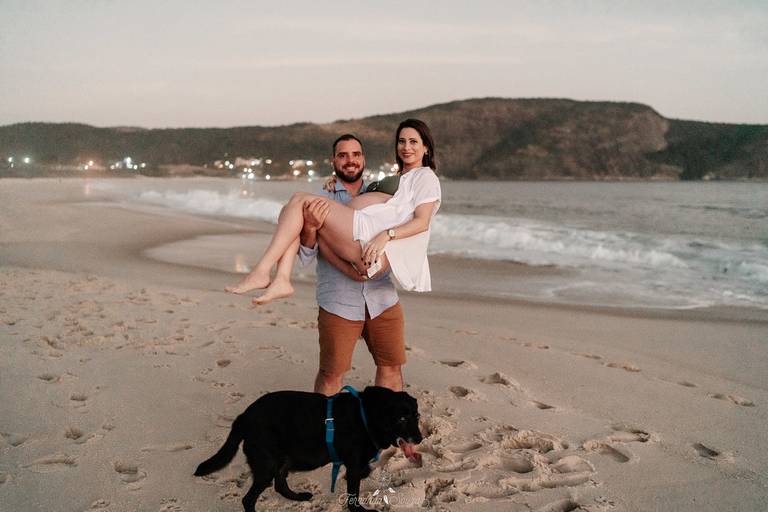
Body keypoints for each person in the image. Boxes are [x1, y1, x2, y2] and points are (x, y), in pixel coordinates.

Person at [226, 119, 441, 392]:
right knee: (331, 374)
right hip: (340, 299)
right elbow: (307, 254)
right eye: (343, 155)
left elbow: (419, 221)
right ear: (334, 161)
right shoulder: (329, 194)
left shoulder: (389, 184)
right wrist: (312, 229)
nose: (350, 160)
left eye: (356, 154)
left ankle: (271, 275)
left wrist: (385, 236)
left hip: (380, 295)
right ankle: (277, 278)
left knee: (391, 367)